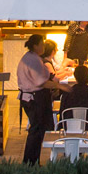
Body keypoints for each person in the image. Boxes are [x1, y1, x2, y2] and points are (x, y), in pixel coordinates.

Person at [16, 34, 62, 165]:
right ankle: (30, 162)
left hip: (30, 97)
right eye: (41, 44)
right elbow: (41, 82)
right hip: (33, 98)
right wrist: (59, 86)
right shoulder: (33, 60)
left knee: (37, 130)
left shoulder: (31, 58)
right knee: (36, 131)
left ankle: (32, 161)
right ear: (35, 46)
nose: (43, 46)